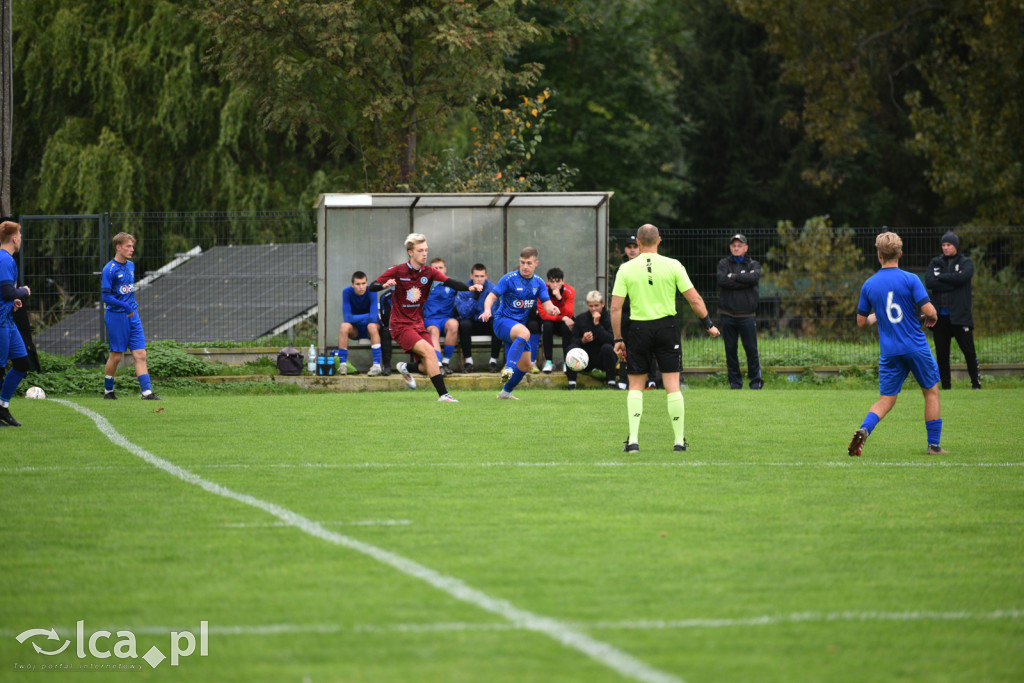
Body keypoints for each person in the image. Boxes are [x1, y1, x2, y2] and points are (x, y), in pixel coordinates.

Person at [611, 224, 720, 453]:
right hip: (667, 328)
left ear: (638, 243)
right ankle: (679, 442)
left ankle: (633, 441)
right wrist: (708, 324)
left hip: (639, 329)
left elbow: (615, 308)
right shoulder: (673, 265)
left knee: (635, 387)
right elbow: (695, 299)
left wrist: (618, 339)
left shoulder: (626, 269)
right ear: (658, 240)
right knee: (673, 387)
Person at [848, 231, 947, 457]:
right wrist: (932, 317)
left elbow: (861, 322)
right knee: (931, 393)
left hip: (890, 351)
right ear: (900, 254)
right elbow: (929, 311)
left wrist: (878, 315)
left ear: (879, 254)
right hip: (915, 347)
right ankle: (933, 446)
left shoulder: (870, 284)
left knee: (886, 400)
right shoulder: (910, 279)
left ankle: (865, 429)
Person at [370, 233, 480, 402]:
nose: (424, 254)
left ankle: (406, 367)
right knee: (430, 352)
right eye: (420, 250)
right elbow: (372, 286)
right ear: (410, 252)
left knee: (427, 364)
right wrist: (383, 285)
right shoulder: (398, 270)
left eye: (426, 250)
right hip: (400, 325)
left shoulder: (429, 272)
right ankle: (444, 395)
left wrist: (469, 288)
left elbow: (450, 282)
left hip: (417, 324)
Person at [480, 247, 561, 400]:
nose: (525, 266)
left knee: (525, 365)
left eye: (529, 263)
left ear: (536, 263)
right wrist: (487, 310)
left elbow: (547, 305)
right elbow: (491, 296)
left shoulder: (539, 283)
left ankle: (505, 393)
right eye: (522, 262)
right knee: (525, 332)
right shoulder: (509, 279)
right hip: (502, 322)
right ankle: (508, 368)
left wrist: (553, 309)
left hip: (518, 328)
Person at [101, 232, 161, 401]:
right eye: (128, 246)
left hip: (133, 315)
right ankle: (108, 391)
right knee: (117, 356)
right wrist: (125, 305)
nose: (131, 249)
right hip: (116, 316)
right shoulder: (109, 269)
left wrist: (130, 307)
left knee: (140, 353)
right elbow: (106, 297)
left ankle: (147, 393)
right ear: (118, 247)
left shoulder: (131, 266)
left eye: (132, 246)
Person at [925, 231, 980, 390]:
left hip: (960, 317)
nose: (946, 247)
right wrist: (952, 281)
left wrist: (941, 277)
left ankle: (976, 384)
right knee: (942, 355)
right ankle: (946, 387)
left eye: (949, 245)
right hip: (940, 317)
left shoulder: (965, 262)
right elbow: (929, 282)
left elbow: (963, 278)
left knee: (969, 352)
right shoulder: (935, 262)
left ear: (955, 246)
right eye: (943, 245)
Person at [716, 233, 763, 390]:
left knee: (751, 349)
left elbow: (754, 278)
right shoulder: (723, 263)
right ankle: (735, 383)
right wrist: (743, 280)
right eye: (733, 246)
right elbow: (722, 280)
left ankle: (755, 381)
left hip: (747, 315)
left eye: (739, 245)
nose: (736, 248)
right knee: (730, 350)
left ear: (746, 248)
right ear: (730, 247)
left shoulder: (754, 264)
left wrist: (734, 277)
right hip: (727, 314)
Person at [611, 235, 657, 390]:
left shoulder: (647, 267)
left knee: (648, 347)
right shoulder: (620, 269)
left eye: (634, 247)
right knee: (625, 347)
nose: (632, 250)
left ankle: (651, 379)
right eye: (629, 247)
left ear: (640, 247)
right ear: (625, 249)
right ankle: (624, 380)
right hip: (625, 314)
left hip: (643, 313)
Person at [0, 221, 32, 426]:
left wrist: (13, 302)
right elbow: (7, 291)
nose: (21, 238)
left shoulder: (7, 259)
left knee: (22, 364)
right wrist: (23, 292)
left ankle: (2, 407)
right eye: (19, 235)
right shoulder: (4, 259)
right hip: (1, 323)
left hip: (8, 320)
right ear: (14, 238)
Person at [454, 263, 502, 372]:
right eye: (476, 276)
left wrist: (481, 314)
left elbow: (493, 312)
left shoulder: (492, 288)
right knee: (464, 324)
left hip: (486, 322)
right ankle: (469, 362)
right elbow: (464, 313)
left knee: (497, 322)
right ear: (471, 276)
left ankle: (493, 361)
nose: (479, 279)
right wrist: (474, 298)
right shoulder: (464, 289)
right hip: (471, 324)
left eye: (482, 276)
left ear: (486, 276)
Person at [566, 290, 618, 390]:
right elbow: (572, 341)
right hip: (584, 359)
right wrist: (583, 340)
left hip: (603, 358)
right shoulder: (581, 318)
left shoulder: (609, 318)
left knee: (607, 347)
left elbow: (611, 341)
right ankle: (572, 384)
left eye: (596, 305)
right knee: (572, 348)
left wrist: (597, 325)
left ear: (602, 304)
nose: (593, 309)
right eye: (591, 306)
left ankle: (611, 383)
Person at [337, 271, 382, 376]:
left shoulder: (372, 290)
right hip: (355, 329)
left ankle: (376, 365)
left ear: (367, 283)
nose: (361, 287)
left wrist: (355, 318)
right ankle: (343, 364)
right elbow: (347, 318)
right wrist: (368, 316)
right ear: (352, 285)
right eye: (358, 284)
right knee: (344, 326)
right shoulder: (347, 292)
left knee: (372, 326)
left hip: (370, 329)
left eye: (363, 283)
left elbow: (374, 318)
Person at [422, 257, 460, 375]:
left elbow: (463, 297)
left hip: (446, 320)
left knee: (454, 324)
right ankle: (438, 364)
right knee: (434, 331)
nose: (438, 270)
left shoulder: (451, 285)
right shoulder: (424, 286)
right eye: (435, 268)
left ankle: (445, 363)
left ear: (445, 269)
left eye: (440, 268)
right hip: (430, 320)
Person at [537, 267, 575, 374]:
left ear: (563, 281)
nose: (554, 285)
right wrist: (562, 317)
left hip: (563, 323)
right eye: (552, 281)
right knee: (547, 326)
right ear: (547, 282)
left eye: (558, 281)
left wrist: (559, 298)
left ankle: (567, 362)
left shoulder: (569, 291)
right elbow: (544, 314)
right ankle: (548, 361)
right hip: (551, 321)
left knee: (567, 327)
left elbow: (569, 314)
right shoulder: (542, 291)